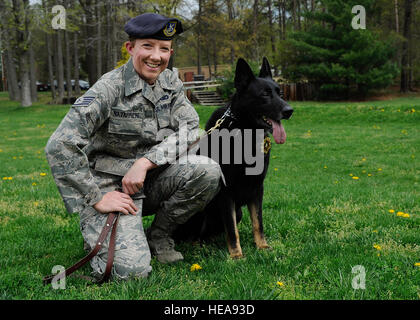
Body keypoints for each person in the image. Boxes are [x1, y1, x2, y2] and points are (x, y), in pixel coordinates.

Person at [45, 12, 223, 281]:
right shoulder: (109, 89)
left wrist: (145, 163)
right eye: (148, 46)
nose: (156, 56)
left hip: (149, 179)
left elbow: (191, 128)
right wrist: (96, 197)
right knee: (130, 273)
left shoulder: (170, 83)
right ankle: (103, 228)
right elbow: (60, 145)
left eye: (164, 49)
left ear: (170, 52)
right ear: (130, 48)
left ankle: (158, 235)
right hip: (110, 187)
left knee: (207, 171)